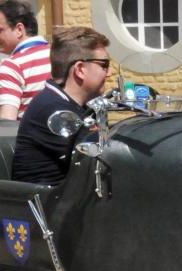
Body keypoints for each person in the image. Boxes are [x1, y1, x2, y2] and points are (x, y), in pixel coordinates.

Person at [12, 27, 111, 185]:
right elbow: (103, 160)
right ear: (80, 70)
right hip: (45, 205)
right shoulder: (54, 110)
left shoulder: (77, 107)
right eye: (104, 65)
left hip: (72, 201)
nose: (109, 72)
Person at [0, 0, 51, 120]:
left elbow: (7, 121)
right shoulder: (59, 53)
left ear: (19, 29)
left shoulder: (13, 65)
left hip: (33, 137)